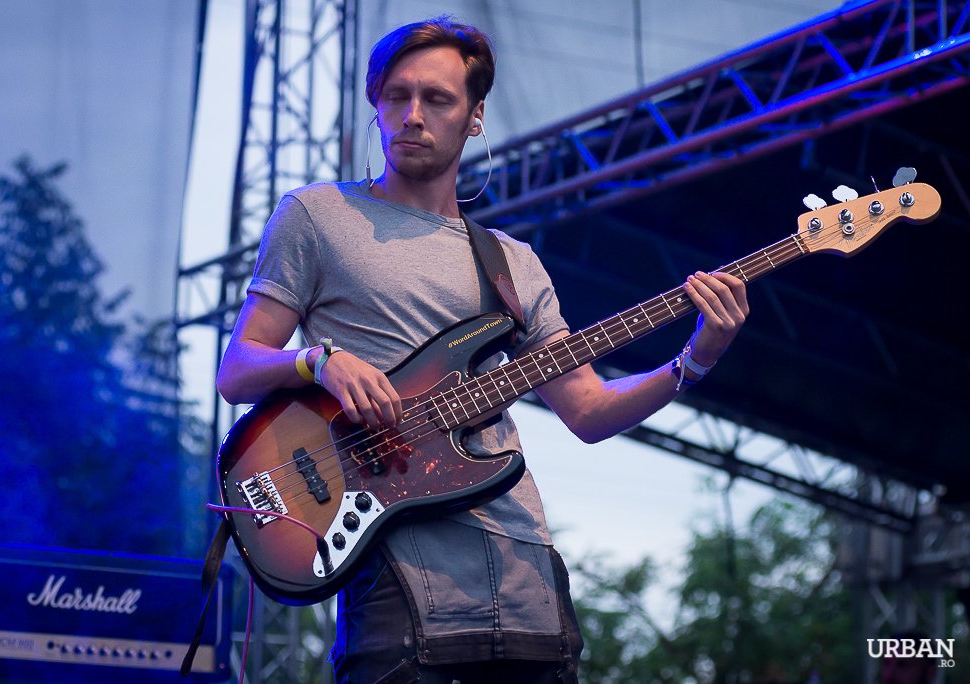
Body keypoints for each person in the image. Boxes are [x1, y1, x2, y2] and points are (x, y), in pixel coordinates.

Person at [216, 15, 749, 684]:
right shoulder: (317, 215)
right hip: (397, 570)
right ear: (376, 105)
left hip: (524, 567)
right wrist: (318, 361)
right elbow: (237, 371)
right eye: (396, 96)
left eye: (436, 99)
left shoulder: (512, 264)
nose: (412, 115)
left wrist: (694, 359)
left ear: (474, 117)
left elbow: (588, 411)